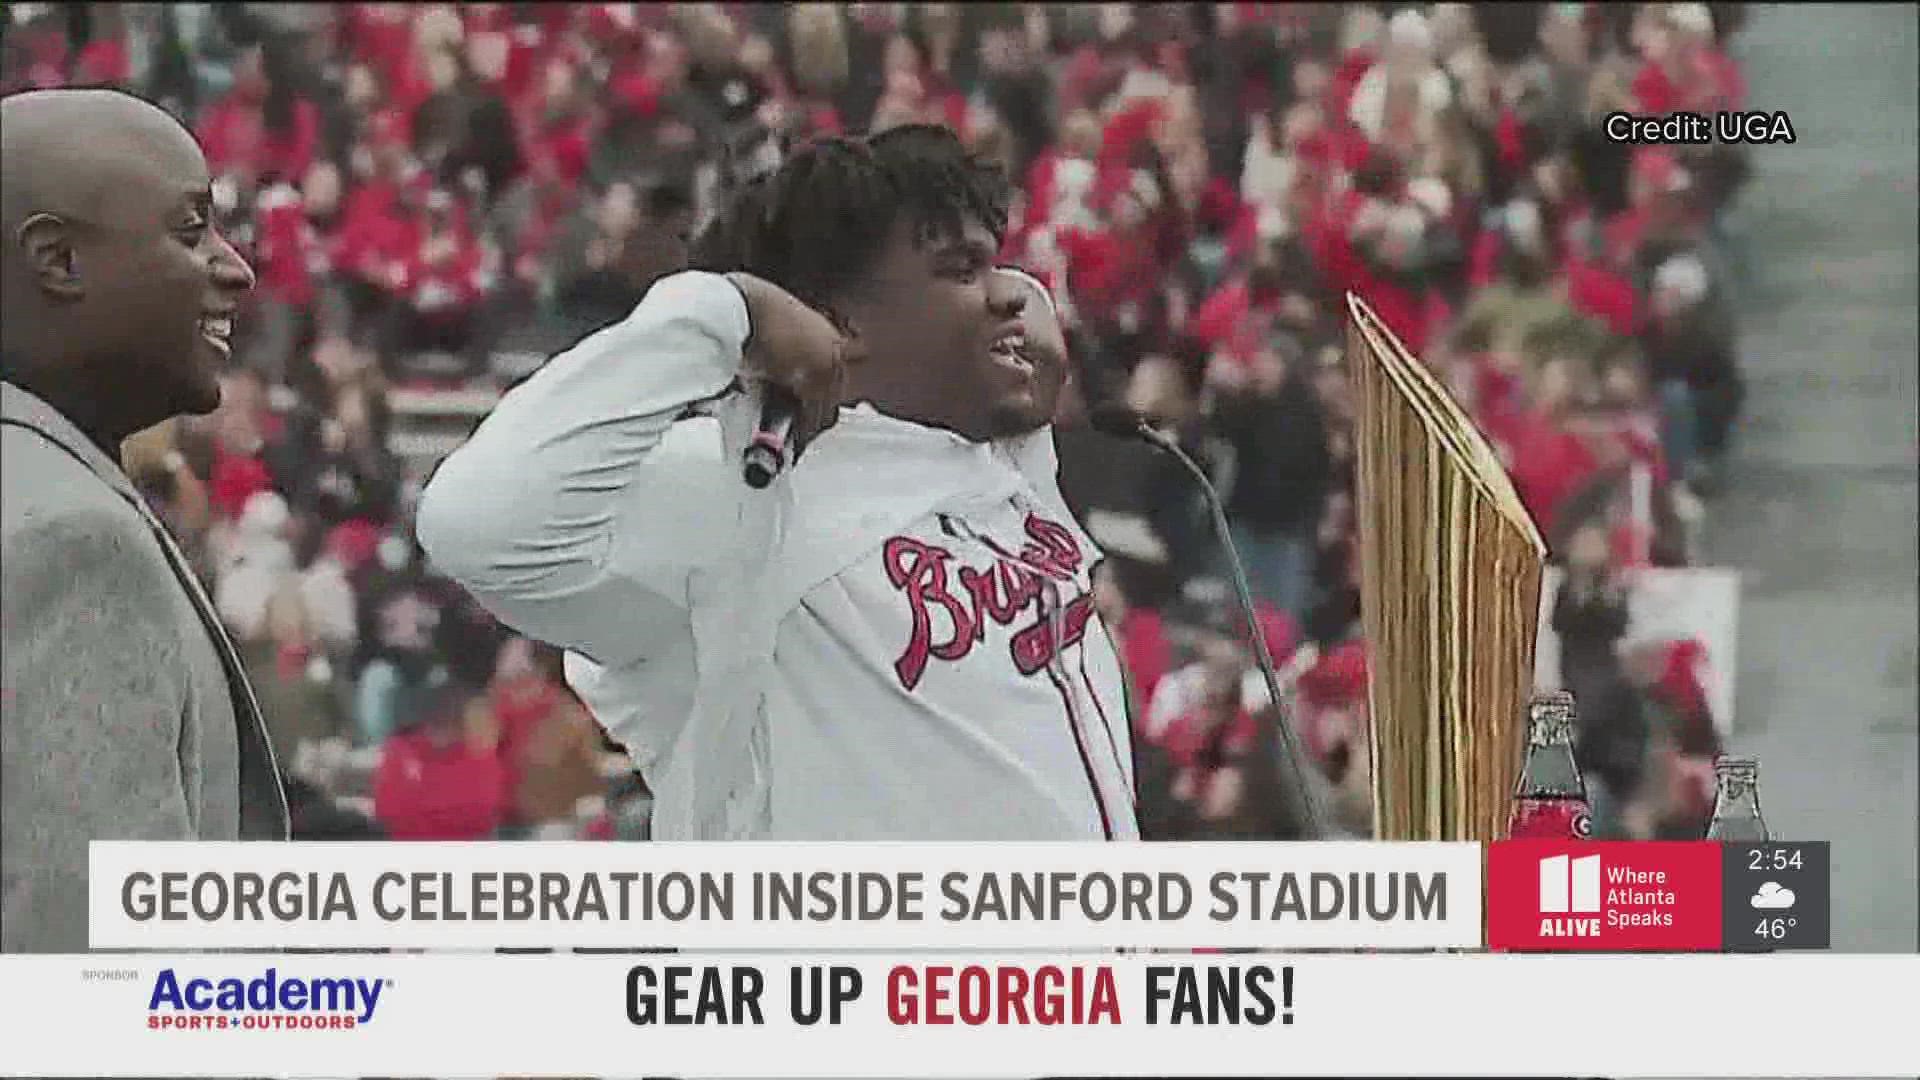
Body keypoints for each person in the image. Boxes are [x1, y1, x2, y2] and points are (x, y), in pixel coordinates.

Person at [418, 125, 1137, 841]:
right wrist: (728, 311)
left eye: (1000, 266)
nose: (1008, 294)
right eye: (961, 269)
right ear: (837, 320)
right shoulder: (738, 484)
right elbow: (474, 523)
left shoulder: (1007, 476)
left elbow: (1033, 353)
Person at [1, 88, 288, 953]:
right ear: (59, 259)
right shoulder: (68, 538)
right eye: (191, 227)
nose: (235, 268)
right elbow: (91, 964)